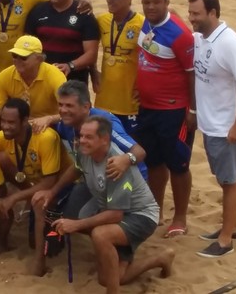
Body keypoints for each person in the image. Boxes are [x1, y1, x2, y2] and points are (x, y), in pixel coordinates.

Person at [33, 116, 173, 293]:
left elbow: (116, 214)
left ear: (105, 139)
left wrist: (75, 225)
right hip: (111, 208)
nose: (82, 140)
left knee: (100, 234)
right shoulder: (85, 151)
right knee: (107, 278)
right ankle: (160, 258)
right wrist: (52, 192)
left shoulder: (114, 165)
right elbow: (76, 168)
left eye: (88, 137)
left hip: (140, 215)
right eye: (81, 135)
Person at [188, 0, 236, 257]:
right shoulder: (202, 39)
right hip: (212, 123)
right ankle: (234, 226)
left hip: (226, 126)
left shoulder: (230, 43)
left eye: (196, 13)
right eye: (190, 12)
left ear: (213, 13)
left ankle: (226, 239)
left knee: (230, 181)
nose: (191, 18)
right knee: (224, 178)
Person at [136, 0, 195, 238]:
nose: (150, 6)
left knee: (178, 164)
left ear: (166, 3)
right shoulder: (146, 23)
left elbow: (192, 73)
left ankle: (180, 217)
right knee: (154, 161)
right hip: (147, 107)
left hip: (174, 110)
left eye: (156, 2)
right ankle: (157, 211)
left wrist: (192, 110)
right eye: (146, 2)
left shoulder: (180, 34)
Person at [0, 98, 61, 256]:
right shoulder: (4, 136)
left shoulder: (46, 138)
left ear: (25, 121)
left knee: (47, 248)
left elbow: (49, 183)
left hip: (59, 189)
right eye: (3, 121)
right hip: (35, 185)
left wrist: (14, 198)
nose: (5, 126)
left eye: (11, 122)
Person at [0, 35, 66, 146]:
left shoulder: (55, 77)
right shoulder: (5, 76)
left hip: (49, 129)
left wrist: (49, 119)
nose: (17, 60)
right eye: (14, 56)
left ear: (39, 59)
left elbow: (69, 112)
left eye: (23, 57)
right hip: (19, 130)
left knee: (47, 138)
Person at [25, 0, 99, 84]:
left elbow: (91, 54)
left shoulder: (84, 14)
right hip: (42, 80)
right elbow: (27, 45)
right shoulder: (38, 11)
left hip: (74, 82)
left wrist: (70, 66)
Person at [92, 0, 145, 136]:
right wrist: (93, 71)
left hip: (130, 105)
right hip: (103, 103)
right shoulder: (102, 20)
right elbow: (89, 46)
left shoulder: (142, 24)